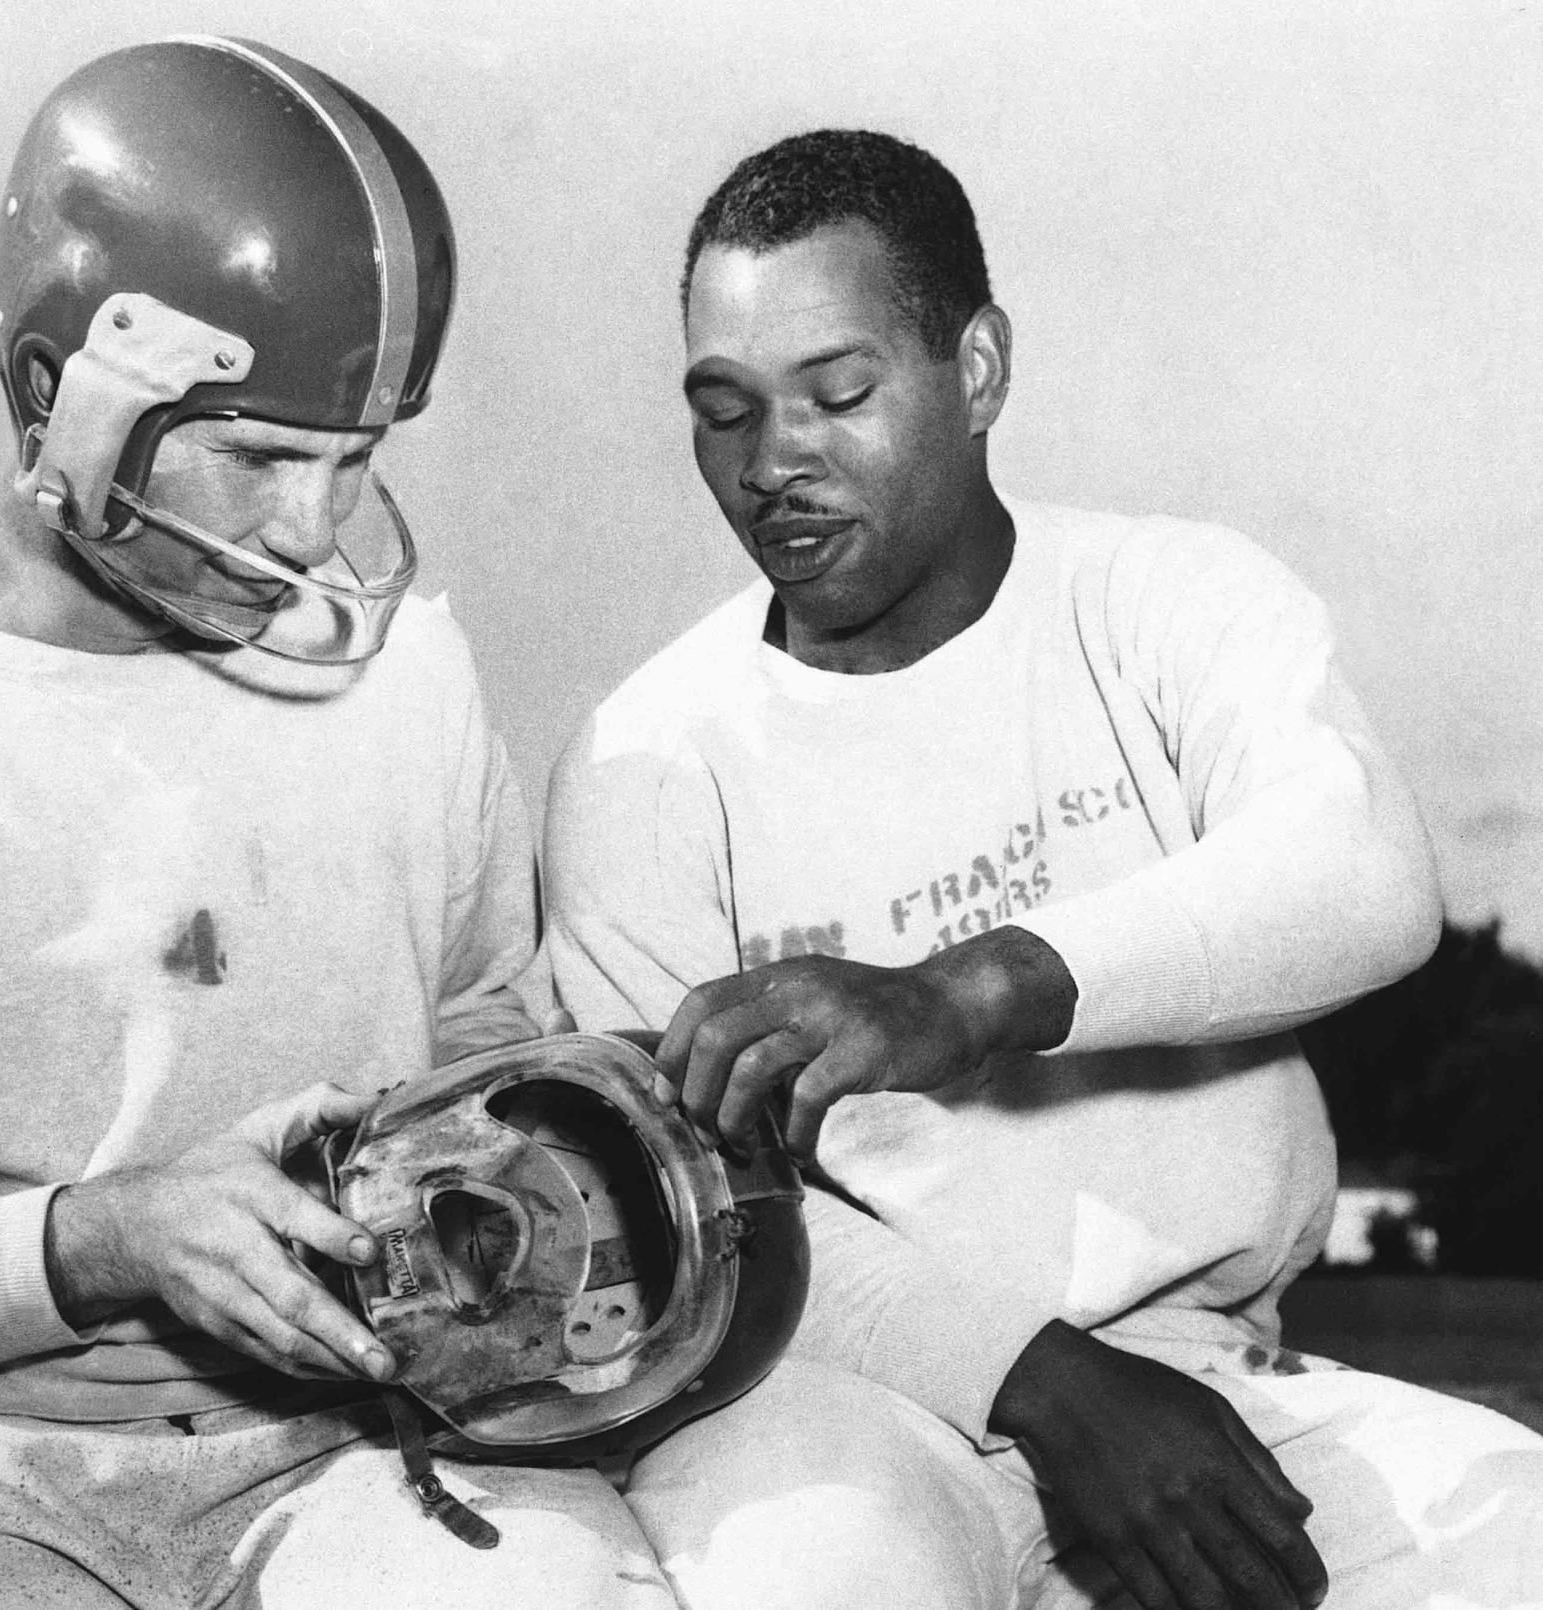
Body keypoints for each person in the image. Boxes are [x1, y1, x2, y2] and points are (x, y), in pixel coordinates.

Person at [0, 39, 688, 1609]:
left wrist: (465, 1194)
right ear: (58, 395)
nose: (307, 533)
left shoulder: (411, 684)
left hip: (360, 1457)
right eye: (254, 453)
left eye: (354, 460)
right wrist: (105, 1236)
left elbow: (483, 1040)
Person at [545, 128, 1543, 1610]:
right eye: (724, 411)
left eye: (839, 392)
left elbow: (1367, 873)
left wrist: (977, 989)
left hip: (1208, 1370)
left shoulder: (1166, 598)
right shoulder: (647, 760)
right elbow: (686, 1224)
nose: (772, 464)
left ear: (980, 371)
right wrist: (1044, 1387)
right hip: (845, 1401)